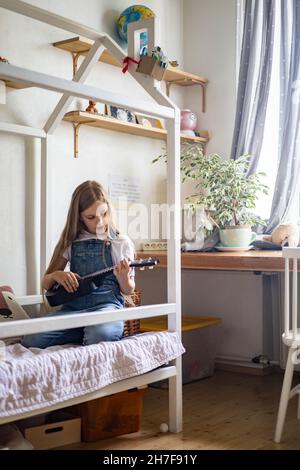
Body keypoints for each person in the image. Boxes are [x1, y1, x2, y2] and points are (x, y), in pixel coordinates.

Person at [21, 180, 135, 349]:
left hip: (106, 308)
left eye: (104, 213)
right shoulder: (70, 241)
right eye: (91, 217)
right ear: (79, 217)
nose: (100, 222)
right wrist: (57, 276)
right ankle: (81, 331)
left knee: (100, 333)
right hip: (72, 310)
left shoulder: (120, 241)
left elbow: (129, 290)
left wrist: (124, 278)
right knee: (31, 338)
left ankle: (89, 331)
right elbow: (46, 283)